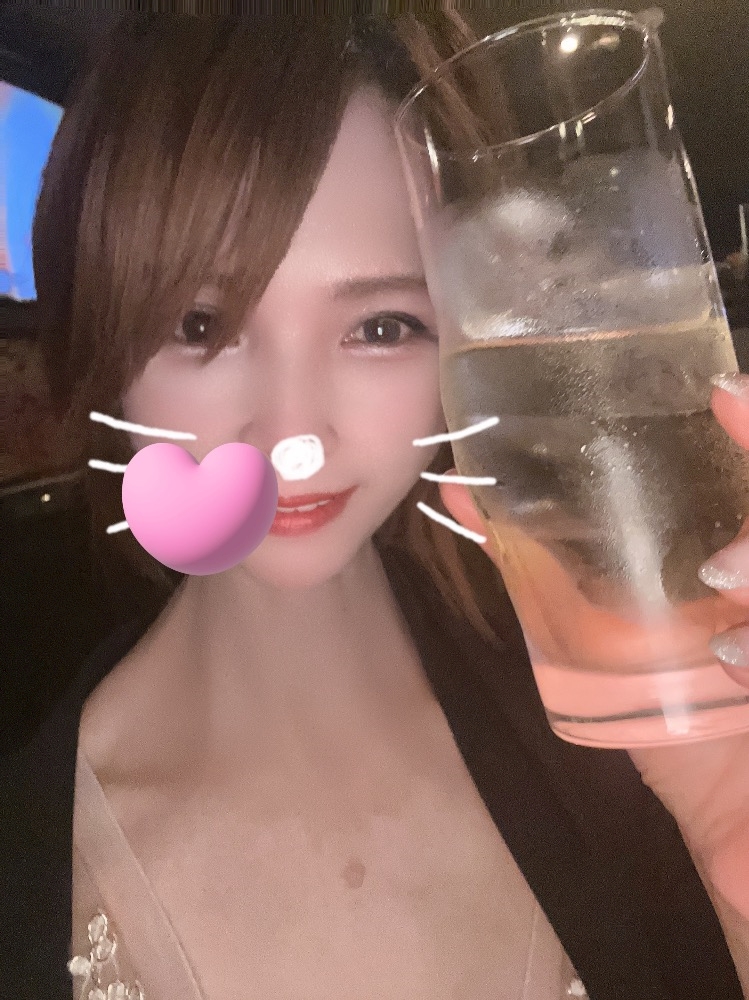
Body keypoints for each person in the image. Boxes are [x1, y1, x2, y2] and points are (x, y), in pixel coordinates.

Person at [1, 10, 748, 1000]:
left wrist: (724, 829)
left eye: (381, 326)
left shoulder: (639, 722)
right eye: (200, 324)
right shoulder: (27, 855)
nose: (291, 431)